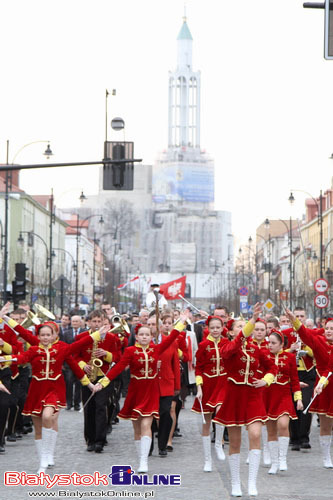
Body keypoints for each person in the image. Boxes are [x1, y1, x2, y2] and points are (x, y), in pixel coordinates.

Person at [0, 313, 104, 473]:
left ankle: (47, 455)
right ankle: (44, 457)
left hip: (54, 389)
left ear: (55, 334)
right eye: (43, 335)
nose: (46, 337)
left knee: (48, 417)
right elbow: (21, 352)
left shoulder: (62, 348)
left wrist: (88, 383)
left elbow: (78, 349)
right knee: (39, 427)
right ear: (39, 336)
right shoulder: (35, 347)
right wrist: (6, 320)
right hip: (36, 390)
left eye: (49, 334)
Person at [93, 313, 189, 473]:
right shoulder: (130, 351)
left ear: (152, 336)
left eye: (147, 334)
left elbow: (172, 337)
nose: (144, 337)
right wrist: (102, 383)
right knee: (137, 428)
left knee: (146, 424)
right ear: (136, 336)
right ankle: (141, 457)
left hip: (151, 391)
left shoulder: (157, 349)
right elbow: (117, 368)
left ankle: (144, 461)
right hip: (136, 392)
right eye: (141, 335)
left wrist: (182, 322)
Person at [213, 303, 277, 497]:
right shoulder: (226, 346)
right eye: (239, 327)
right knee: (235, 442)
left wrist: (265, 380)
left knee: (256, 434)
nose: (244, 330)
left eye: (244, 326)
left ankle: (251, 482)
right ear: (231, 332)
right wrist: (250, 322)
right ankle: (234, 483)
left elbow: (272, 368)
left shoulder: (257, 349)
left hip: (253, 396)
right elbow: (228, 352)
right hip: (234, 396)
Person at [285, 308, 333, 468]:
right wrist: (294, 320)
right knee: (325, 424)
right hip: (323, 386)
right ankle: (326, 456)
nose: (328, 331)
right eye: (326, 328)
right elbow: (305, 334)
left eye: (332, 329)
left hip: (324, 381)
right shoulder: (319, 342)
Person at [73, 310, 120, 453]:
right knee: (89, 408)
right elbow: (75, 356)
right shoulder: (81, 337)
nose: (97, 324)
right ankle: (90, 440)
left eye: (99, 321)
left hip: (103, 376)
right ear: (88, 322)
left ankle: (100, 440)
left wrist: (107, 354)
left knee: (101, 407)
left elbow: (118, 357)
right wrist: (83, 365)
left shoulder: (111, 338)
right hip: (87, 376)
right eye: (94, 321)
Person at [264, 329, 303, 474]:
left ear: (281, 345)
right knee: (271, 430)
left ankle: (282, 458)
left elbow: (294, 379)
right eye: (269, 343)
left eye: (273, 343)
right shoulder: (264, 356)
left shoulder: (289, 357)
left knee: (283, 424)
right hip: (267, 396)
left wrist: (298, 398)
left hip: (284, 396)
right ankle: (274, 462)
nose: (270, 346)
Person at [192, 315, 227, 471]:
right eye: (212, 328)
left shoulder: (227, 343)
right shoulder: (203, 345)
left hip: (223, 383)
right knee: (206, 422)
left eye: (217, 327)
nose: (215, 330)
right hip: (207, 384)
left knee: (220, 413)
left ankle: (218, 443)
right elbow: (198, 367)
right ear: (208, 329)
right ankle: (207, 460)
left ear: (222, 328)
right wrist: (199, 387)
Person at [61, 315, 86, 411]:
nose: (74, 323)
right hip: (69, 362)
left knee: (79, 383)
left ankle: (77, 403)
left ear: (80, 322)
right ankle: (69, 402)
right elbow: (63, 348)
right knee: (69, 382)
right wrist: (62, 362)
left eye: (76, 321)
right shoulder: (66, 333)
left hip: (80, 362)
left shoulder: (84, 332)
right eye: (73, 321)